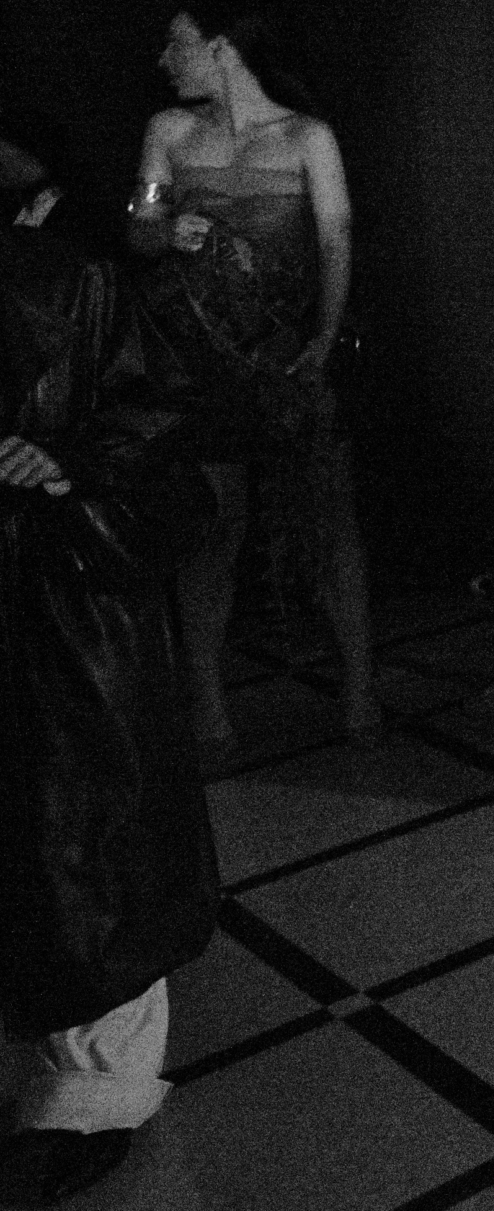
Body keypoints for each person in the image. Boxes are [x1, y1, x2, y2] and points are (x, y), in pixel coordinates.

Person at [0, 117, 217, 1206]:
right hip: (65, 611)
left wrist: (67, 463)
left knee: (84, 851)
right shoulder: (73, 279)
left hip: (66, 613)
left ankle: (92, 1094)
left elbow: (157, 438)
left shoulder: (71, 285)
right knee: (74, 854)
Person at [127, 0, 374, 763]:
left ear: (222, 47)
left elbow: (335, 239)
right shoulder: (170, 132)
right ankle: (208, 705)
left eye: (178, 42)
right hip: (200, 365)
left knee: (327, 523)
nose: (165, 58)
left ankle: (360, 688)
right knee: (212, 529)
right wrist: (163, 228)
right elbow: (137, 225)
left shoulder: (306, 137)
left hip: (287, 359)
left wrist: (324, 340)